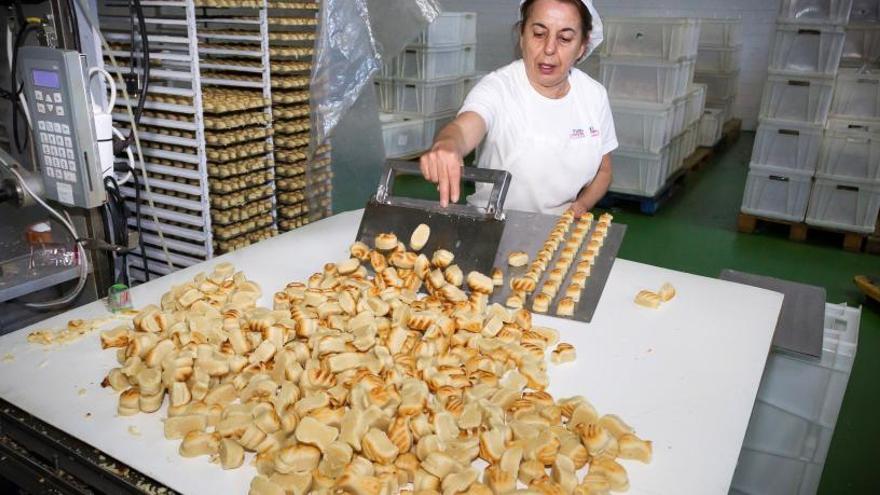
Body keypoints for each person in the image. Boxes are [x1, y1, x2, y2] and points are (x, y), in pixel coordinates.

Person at [419, 0, 616, 216]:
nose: (549, 48)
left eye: (565, 38)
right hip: (493, 231)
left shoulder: (593, 95)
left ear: (581, 47)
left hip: (558, 233)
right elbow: (466, 127)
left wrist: (581, 206)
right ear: (522, 36)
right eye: (539, 34)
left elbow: (604, 169)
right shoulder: (499, 88)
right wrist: (447, 144)